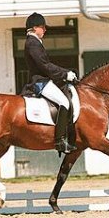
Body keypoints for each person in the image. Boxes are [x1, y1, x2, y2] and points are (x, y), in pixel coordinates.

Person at [21, 12, 77, 154]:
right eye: (42, 27)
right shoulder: (32, 43)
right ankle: (59, 141)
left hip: (44, 80)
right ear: (34, 28)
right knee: (64, 102)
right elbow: (45, 65)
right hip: (39, 82)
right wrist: (65, 74)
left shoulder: (35, 42)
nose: (45, 30)